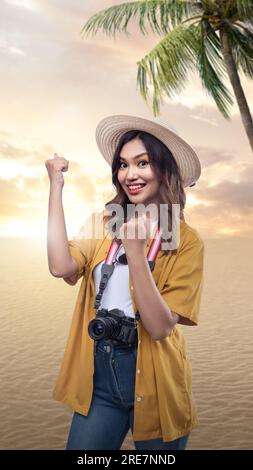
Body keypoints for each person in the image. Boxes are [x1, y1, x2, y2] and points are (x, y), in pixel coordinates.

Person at [45, 114, 204, 450]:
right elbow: (61, 266)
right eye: (122, 165)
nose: (130, 174)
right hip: (99, 375)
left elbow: (160, 328)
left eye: (142, 163)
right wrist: (55, 187)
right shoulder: (104, 223)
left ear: (165, 169)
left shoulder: (187, 242)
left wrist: (135, 253)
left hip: (158, 377)